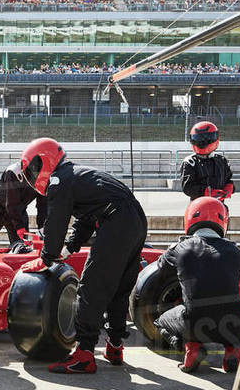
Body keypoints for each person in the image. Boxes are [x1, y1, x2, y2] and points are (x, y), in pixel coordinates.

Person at [18, 137, 147, 374]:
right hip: (135, 219)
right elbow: (87, 219)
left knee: (90, 287)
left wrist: (46, 258)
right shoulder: (76, 175)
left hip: (117, 221)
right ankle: (115, 346)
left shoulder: (59, 179)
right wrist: (69, 249)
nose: (32, 176)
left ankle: (84, 354)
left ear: (42, 161)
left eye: (32, 170)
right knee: (118, 288)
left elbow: (56, 222)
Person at [150, 197, 240, 373]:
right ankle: (233, 349)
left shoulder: (180, 248)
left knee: (159, 321)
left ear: (189, 218)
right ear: (223, 221)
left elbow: (161, 267)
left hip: (195, 324)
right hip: (233, 324)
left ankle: (191, 348)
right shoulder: (236, 252)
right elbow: (237, 273)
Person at [0, 162, 47, 246]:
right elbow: (11, 203)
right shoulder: (14, 171)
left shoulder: (45, 178)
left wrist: (42, 227)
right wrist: (19, 227)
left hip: (19, 208)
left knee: (22, 246)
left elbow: (43, 206)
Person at [180, 121, 234, 200]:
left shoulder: (222, 160)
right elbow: (187, 187)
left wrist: (229, 187)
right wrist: (206, 192)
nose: (202, 143)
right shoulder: (190, 162)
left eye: (205, 139)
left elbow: (228, 179)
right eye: (198, 139)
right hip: (198, 206)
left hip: (219, 206)